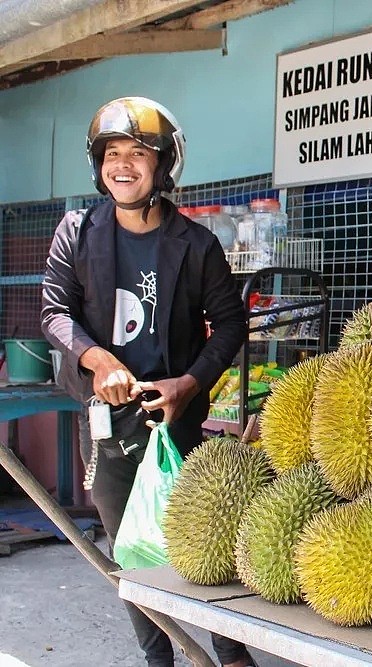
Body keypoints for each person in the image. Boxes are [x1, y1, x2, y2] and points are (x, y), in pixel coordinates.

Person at [40, 97, 254, 667]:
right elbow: (55, 312)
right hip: (108, 421)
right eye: (113, 154)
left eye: (138, 153)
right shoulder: (77, 232)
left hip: (175, 416)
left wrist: (190, 382)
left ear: (163, 167)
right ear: (99, 165)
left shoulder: (196, 244)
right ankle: (158, 657)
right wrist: (95, 360)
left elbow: (231, 321)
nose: (124, 165)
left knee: (201, 539)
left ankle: (229, 653)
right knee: (130, 549)